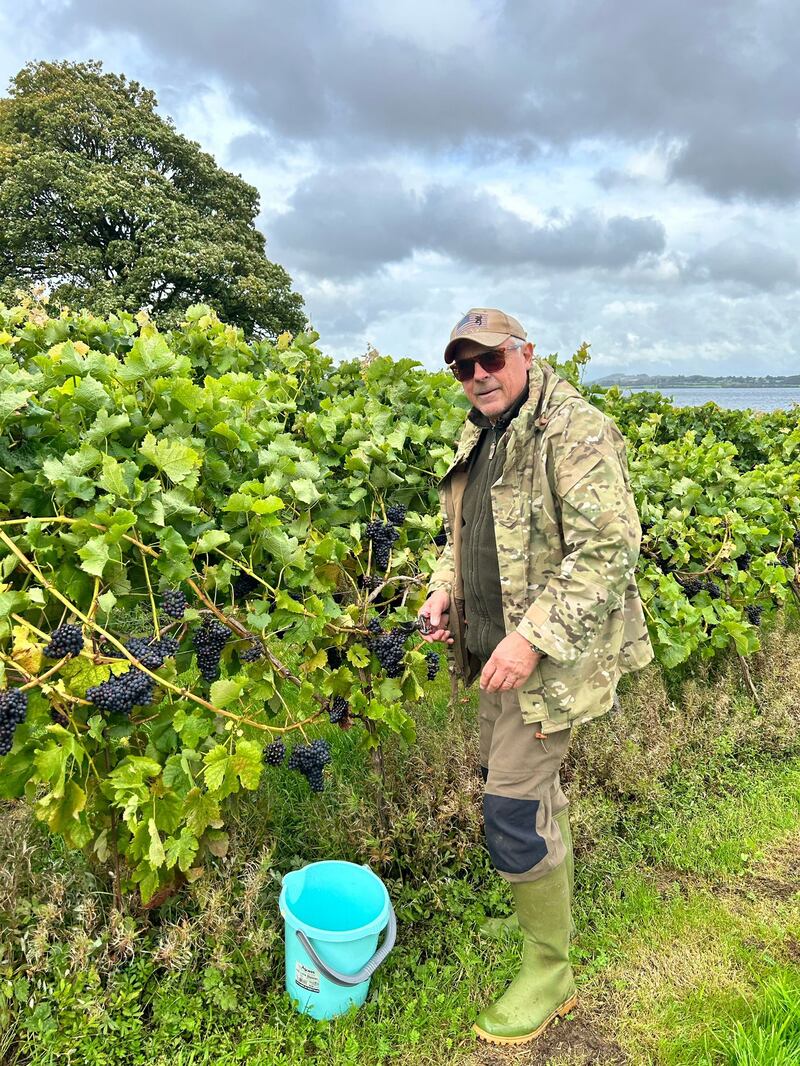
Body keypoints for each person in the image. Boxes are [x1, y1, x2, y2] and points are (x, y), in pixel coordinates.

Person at [418, 308, 654, 1047]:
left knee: (512, 811)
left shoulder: (572, 429)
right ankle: (539, 905)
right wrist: (443, 587)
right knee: (519, 792)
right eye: (463, 366)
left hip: (545, 663)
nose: (478, 376)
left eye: (490, 359)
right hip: (493, 657)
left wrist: (530, 638)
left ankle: (549, 973)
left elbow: (610, 551)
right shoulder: (484, 433)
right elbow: (466, 533)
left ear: (525, 354)